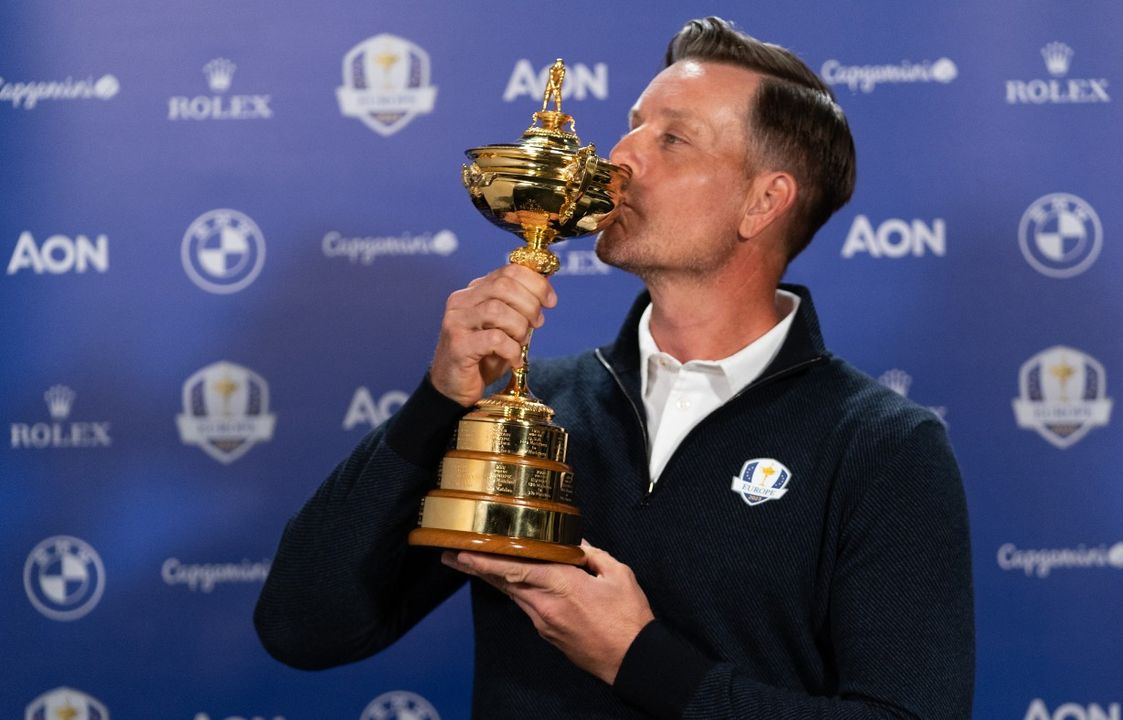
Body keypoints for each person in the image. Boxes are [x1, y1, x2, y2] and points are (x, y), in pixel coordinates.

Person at [256, 16, 974, 719]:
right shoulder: (540, 406)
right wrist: (438, 403)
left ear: (764, 202)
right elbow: (301, 626)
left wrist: (641, 660)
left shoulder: (880, 445)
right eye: (632, 125)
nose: (619, 157)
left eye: (672, 138)